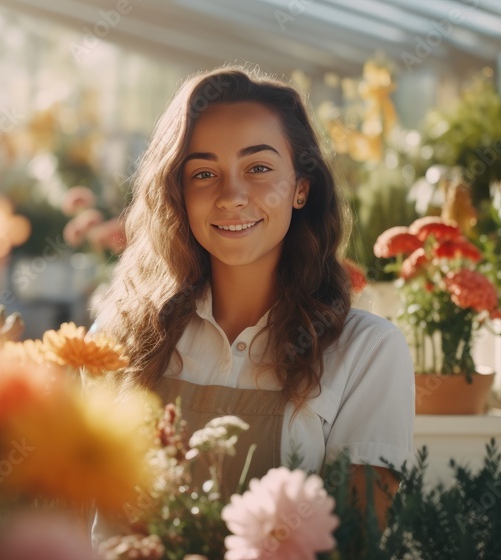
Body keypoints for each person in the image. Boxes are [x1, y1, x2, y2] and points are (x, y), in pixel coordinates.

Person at [93, 66, 414, 504]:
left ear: (302, 187)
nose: (232, 195)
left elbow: (357, 543)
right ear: (178, 194)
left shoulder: (367, 352)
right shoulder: (119, 337)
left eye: (258, 167)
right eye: (204, 174)